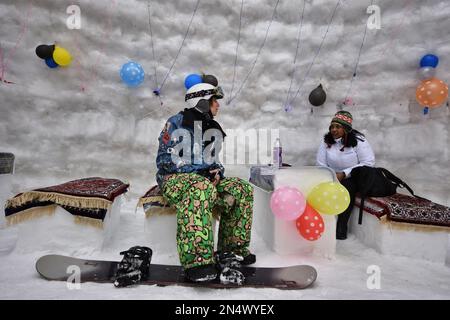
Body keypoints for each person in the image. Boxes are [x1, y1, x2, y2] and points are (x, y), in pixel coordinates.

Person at [155, 77, 255, 283]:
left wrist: (216, 172)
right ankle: (197, 260)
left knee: (241, 188)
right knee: (200, 188)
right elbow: (166, 161)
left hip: (203, 180)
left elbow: (212, 161)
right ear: (201, 102)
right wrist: (201, 173)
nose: (218, 104)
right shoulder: (175, 123)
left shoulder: (211, 127)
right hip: (175, 180)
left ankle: (232, 249)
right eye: (213, 100)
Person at [316, 110, 375, 240]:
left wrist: (344, 173)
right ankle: (323, 224)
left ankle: (341, 226)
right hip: (331, 175)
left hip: (353, 176)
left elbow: (368, 162)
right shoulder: (326, 141)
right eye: (332, 127)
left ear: (346, 128)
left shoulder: (359, 141)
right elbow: (321, 163)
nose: (333, 130)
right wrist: (330, 175)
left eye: (338, 127)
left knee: (347, 187)